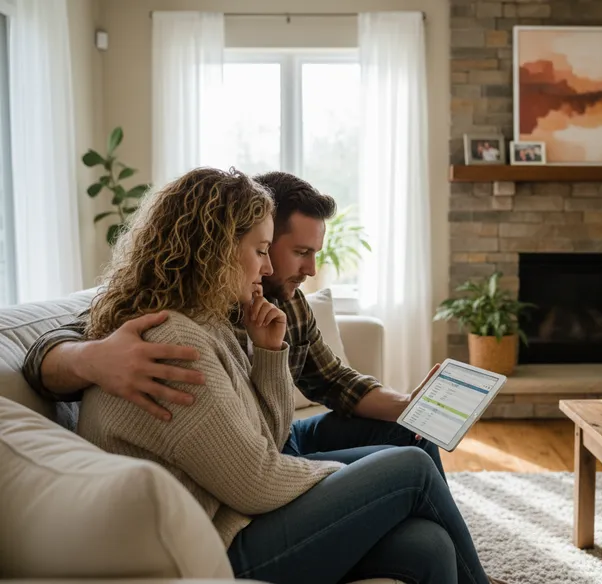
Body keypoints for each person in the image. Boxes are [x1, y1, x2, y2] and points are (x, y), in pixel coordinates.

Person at [73, 167, 493, 584]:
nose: (268, 268)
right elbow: (257, 479)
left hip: (234, 508)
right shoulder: (170, 342)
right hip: (208, 545)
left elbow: (293, 414)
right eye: (262, 250)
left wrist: (273, 354)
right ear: (218, 249)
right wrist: (356, 477)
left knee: (428, 542)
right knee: (410, 468)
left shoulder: (213, 321)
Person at [22, 171, 446, 480]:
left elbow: (332, 379)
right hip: (254, 461)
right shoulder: (180, 307)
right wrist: (92, 358)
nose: (310, 269)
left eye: (315, 253)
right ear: (247, 238)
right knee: (407, 470)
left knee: (414, 435)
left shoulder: (289, 303)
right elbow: (48, 348)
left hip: (284, 437)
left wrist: (409, 405)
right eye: (298, 252)